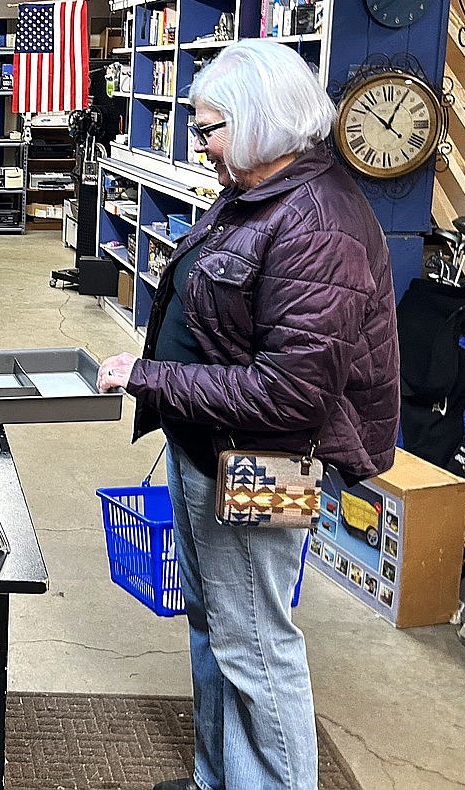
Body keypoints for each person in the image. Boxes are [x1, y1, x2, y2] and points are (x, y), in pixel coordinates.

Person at [96, 39, 399, 790]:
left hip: (266, 459)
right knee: (216, 626)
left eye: (209, 128)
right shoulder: (258, 192)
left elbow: (291, 392)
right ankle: (217, 778)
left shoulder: (318, 221)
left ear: (260, 119)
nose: (198, 145)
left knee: (258, 646)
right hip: (208, 446)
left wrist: (150, 375)